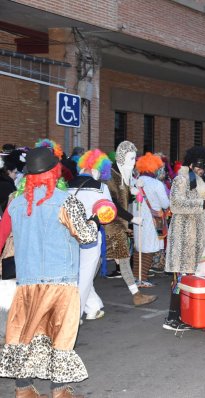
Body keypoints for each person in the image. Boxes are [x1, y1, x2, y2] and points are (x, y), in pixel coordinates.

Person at [0, 147, 99, 398]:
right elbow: (86, 237)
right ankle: (59, 390)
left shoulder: (16, 203)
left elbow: (2, 236)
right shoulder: (66, 201)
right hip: (61, 281)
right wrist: (96, 221)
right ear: (56, 171)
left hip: (27, 281)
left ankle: (23, 389)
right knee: (61, 336)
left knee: (25, 333)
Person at [163, 146, 205, 331]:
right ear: (191, 163)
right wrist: (203, 204)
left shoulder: (201, 182)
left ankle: (186, 314)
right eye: (199, 166)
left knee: (189, 278)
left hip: (197, 238)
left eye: (204, 166)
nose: (201, 169)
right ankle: (171, 317)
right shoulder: (181, 179)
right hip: (183, 237)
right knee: (180, 277)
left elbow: (200, 209)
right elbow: (176, 205)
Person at [104, 141, 156, 306]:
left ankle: (136, 294)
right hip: (110, 226)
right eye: (131, 158)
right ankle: (136, 294)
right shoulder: (112, 177)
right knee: (121, 260)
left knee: (114, 261)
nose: (134, 162)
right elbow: (114, 204)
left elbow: (124, 198)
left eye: (135, 158)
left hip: (118, 225)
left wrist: (134, 191)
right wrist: (132, 218)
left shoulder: (122, 176)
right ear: (121, 159)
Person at [67, 150, 113, 322]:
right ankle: (74, 315)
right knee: (85, 276)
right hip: (90, 235)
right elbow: (107, 214)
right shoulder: (101, 188)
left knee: (76, 274)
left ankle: (93, 306)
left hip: (69, 234)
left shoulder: (67, 184)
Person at [133, 153, 170, 287]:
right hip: (152, 221)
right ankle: (142, 279)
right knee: (148, 249)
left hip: (137, 220)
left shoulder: (134, 182)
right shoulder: (156, 184)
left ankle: (137, 278)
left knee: (139, 248)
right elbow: (166, 204)